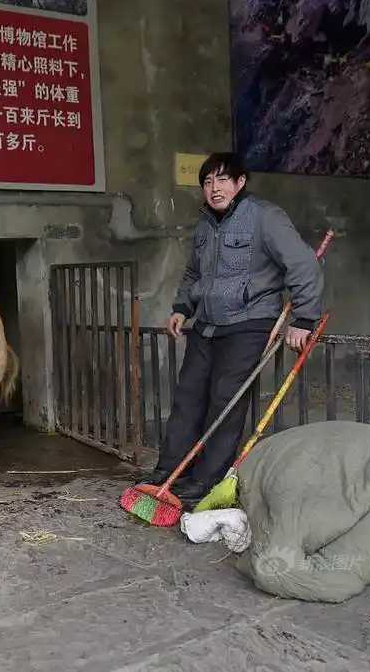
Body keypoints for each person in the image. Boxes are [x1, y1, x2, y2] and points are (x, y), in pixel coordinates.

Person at [135, 152, 324, 506]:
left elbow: (303, 266)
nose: (214, 188)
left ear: (240, 183)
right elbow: (195, 273)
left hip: (249, 324)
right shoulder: (206, 225)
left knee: (225, 402)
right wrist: (182, 307)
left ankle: (205, 480)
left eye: (223, 180)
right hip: (206, 325)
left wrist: (303, 319)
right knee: (188, 399)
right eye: (207, 182)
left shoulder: (265, 218)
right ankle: (169, 470)